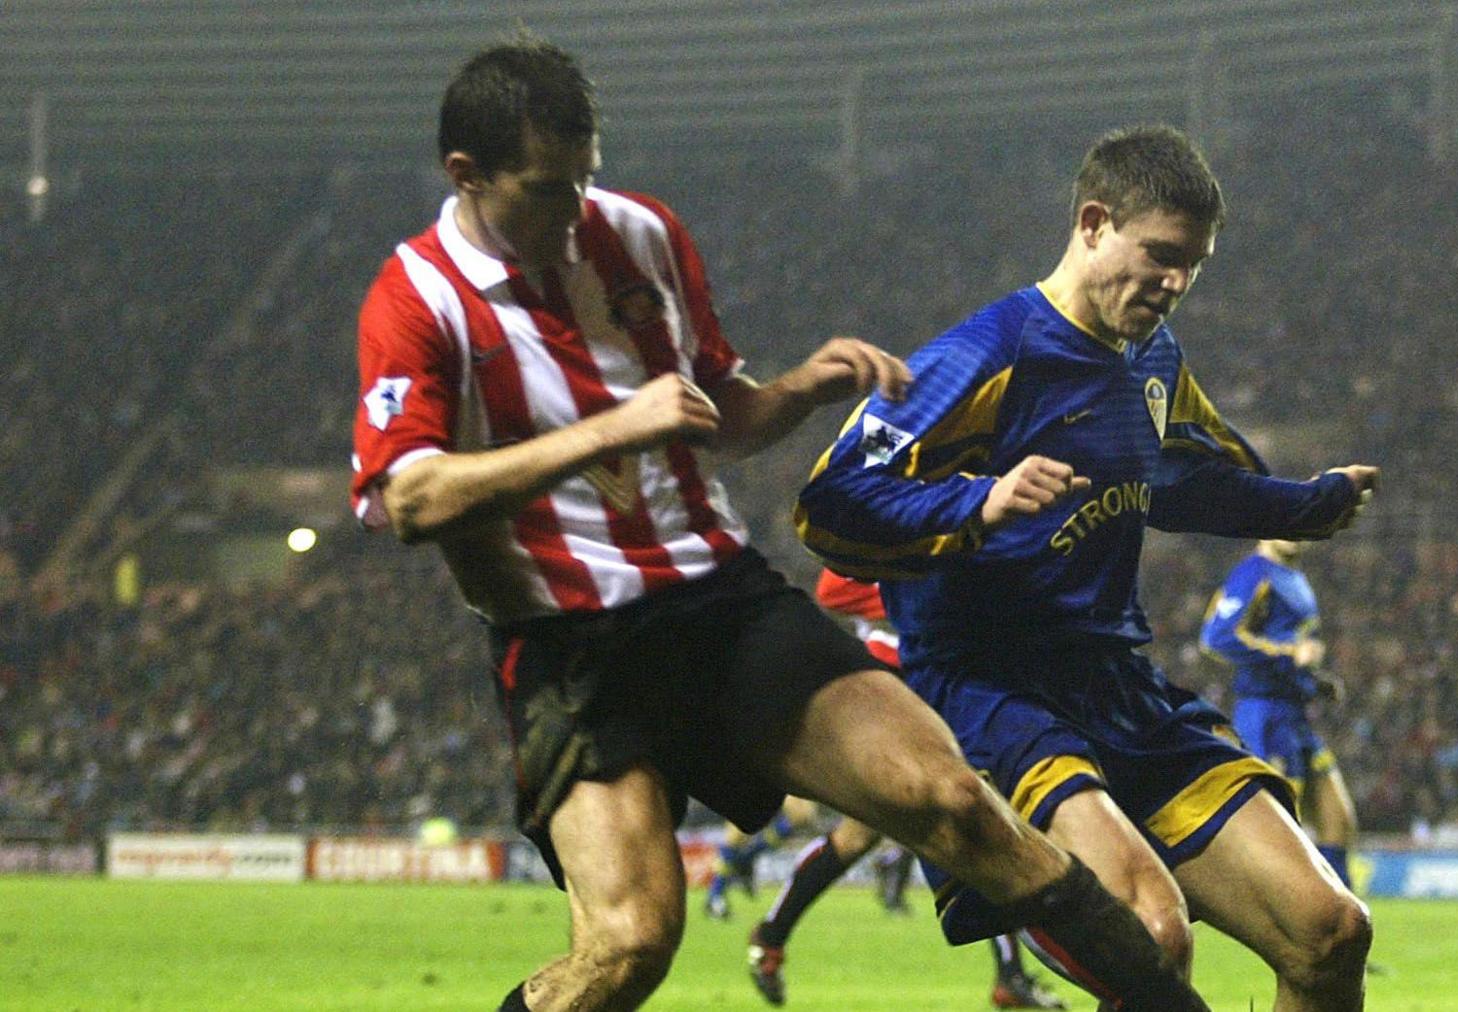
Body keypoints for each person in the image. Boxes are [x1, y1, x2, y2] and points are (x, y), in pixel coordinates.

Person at [352, 39, 1213, 1012]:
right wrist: (608, 430)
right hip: (569, 646)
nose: (575, 211)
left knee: (953, 800)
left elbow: (718, 418)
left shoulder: (641, 234)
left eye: (586, 179)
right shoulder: (416, 298)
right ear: (466, 174)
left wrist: (802, 387)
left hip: (721, 603)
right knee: (629, 946)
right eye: (549, 190)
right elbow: (409, 500)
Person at [797, 124, 1379, 1011]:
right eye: (1161, 256)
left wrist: (1306, 505)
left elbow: (1183, 481)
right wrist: (977, 502)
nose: (1176, 283)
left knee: (1330, 929)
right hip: (993, 694)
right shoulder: (984, 356)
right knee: (1151, 937)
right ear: (1095, 224)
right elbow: (830, 502)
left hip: (1117, 683)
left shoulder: (1153, 360)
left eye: (1193, 266)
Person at [746, 570, 1066, 1009]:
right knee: (965, 820)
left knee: (869, 836)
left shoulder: (956, 545)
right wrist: (917, 598)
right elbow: (833, 590)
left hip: (936, 682)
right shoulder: (896, 544)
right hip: (890, 686)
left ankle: (771, 936)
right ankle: (1010, 976)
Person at [1200, 540, 1360, 892]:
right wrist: (1290, 654)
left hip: (1295, 714)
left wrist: (1313, 681)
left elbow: (1289, 644)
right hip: (1265, 714)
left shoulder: (1294, 577)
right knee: (1282, 832)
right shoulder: (1254, 573)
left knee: (1338, 819)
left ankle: (1341, 912)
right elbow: (1215, 637)